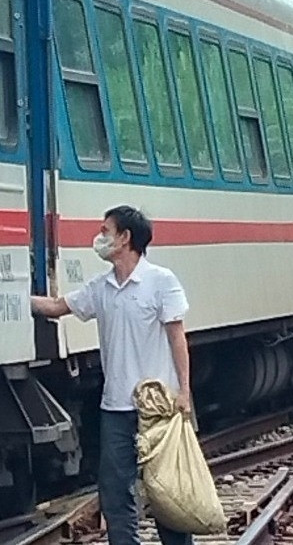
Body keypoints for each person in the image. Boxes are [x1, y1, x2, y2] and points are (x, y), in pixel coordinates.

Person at [31, 206, 193, 545]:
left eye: (106, 231)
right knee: (115, 492)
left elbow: (178, 338)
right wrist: (13, 297)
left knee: (167, 492)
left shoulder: (161, 281)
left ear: (125, 238)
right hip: (116, 406)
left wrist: (184, 392)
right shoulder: (101, 288)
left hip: (158, 407)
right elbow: (57, 307)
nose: (100, 237)